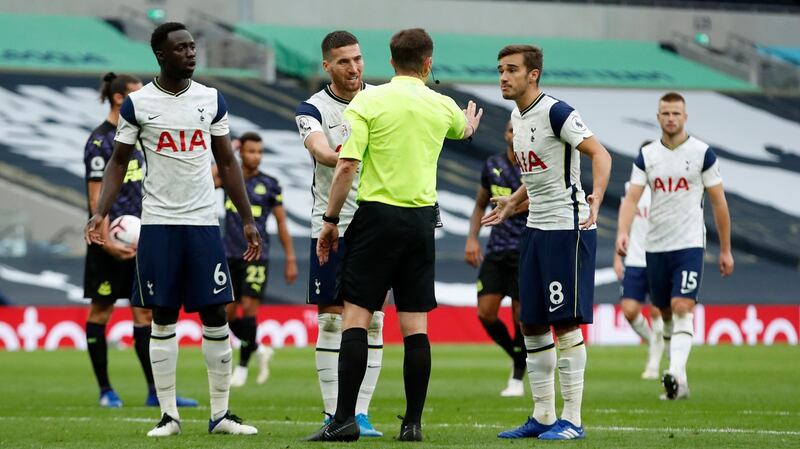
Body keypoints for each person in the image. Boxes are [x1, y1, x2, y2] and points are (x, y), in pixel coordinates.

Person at [306, 28, 483, 442]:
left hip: (376, 218)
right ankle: (412, 424)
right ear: (428, 63)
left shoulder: (369, 100)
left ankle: (344, 419)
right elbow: (463, 130)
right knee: (414, 325)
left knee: (356, 316)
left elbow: (347, 166)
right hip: (421, 221)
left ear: (389, 62)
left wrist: (330, 220)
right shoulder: (442, 104)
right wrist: (471, 127)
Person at [85, 22, 259, 437]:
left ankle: (220, 414)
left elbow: (228, 163)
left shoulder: (211, 99)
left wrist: (248, 218)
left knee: (215, 313)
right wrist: (100, 213)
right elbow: (116, 162)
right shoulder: (139, 104)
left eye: (193, 47)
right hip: (159, 224)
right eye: (181, 48)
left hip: (202, 222)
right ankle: (168, 415)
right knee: (162, 315)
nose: (191, 53)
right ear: (161, 55)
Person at [484, 44, 612, 441]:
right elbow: (536, 175)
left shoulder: (557, 112)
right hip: (536, 229)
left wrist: (598, 197)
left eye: (511, 70)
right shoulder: (517, 116)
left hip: (566, 229)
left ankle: (571, 419)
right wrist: (513, 203)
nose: (503, 77)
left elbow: (600, 153)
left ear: (533, 74)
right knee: (532, 323)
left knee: (564, 323)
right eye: (501, 70)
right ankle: (542, 416)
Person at [82, 72, 198, 409]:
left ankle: (156, 392)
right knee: (101, 310)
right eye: (136, 94)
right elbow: (95, 199)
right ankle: (106, 390)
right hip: (108, 242)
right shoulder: (100, 142)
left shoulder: (137, 136)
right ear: (120, 99)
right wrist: (108, 243)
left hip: (142, 238)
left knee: (145, 314)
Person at [294, 30, 384, 437]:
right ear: (327, 66)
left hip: (377, 225)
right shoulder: (312, 108)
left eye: (359, 59)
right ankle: (334, 413)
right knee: (331, 321)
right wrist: (349, 154)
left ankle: (360, 413)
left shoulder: (381, 100)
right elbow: (322, 152)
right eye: (344, 61)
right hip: (330, 224)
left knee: (374, 321)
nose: (354, 67)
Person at [616, 92, 734, 400]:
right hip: (655, 245)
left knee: (683, 306)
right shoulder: (647, 156)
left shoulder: (702, 153)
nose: (671, 118)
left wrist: (725, 249)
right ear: (658, 117)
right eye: (665, 113)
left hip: (689, 243)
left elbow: (719, 202)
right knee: (664, 313)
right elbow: (631, 197)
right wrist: (622, 233)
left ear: (685, 117)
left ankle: (676, 373)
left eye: (676, 113)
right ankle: (678, 385)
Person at [218, 131, 297, 387]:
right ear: (241, 153)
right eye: (251, 151)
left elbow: (282, 223)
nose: (256, 156)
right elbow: (207, 176)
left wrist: (290, 259)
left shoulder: (270, 184)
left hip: (257, 256)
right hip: (230, 254)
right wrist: (230, 147)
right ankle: (258, 347)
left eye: (260, 152)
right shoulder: (229, 177)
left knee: (250, 308)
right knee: (227, 313)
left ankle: (241, 367)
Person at [464, 120, 528, 397]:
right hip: (497, 250)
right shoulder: (492, 165)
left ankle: (517, 375)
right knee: (486, 313)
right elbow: (480, 204)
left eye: (521, 130)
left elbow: (541, 198)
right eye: (512, 129)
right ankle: (518, 356)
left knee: (520, 317)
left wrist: (513, 208)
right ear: (506, 133)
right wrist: (472, 238)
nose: (516, 134)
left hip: (526, 249)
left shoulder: (534, 166)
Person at [613, 143, 665, 380]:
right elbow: (625, 224)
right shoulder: (631, 188)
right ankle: (653, 341)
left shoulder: (666, 189)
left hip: (659, 256)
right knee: (629, 310)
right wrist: (617, 257)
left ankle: (654, 361)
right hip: (634, 257)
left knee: (657, 310)